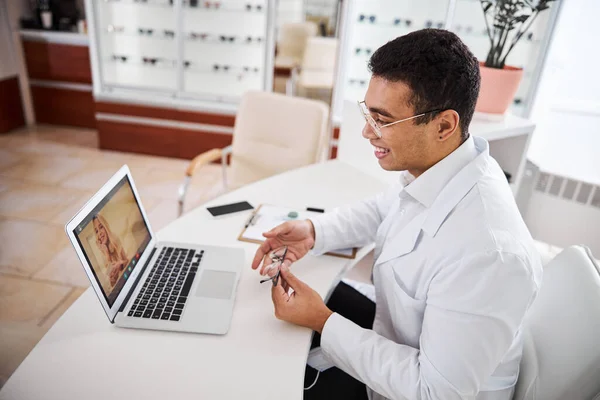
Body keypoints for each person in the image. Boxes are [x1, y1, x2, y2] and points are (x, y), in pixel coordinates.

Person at [252, 29, 542, 400]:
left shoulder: (489, 255)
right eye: (368, 114)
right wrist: (314, 230)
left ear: (444, 125)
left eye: (382, 120)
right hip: (400, 339)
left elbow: (434, 391)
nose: (365, 132)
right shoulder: (444, 167)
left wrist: (323, 322)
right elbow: (382, 208)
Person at [93, 213, 128, 287]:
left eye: (101, 227)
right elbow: (110, 284)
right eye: (96, 231)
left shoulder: (115, 239)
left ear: (105, 227)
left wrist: (120, 264)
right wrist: (107, 254)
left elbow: (127, 262)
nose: (99, 233)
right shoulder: (101, 253)